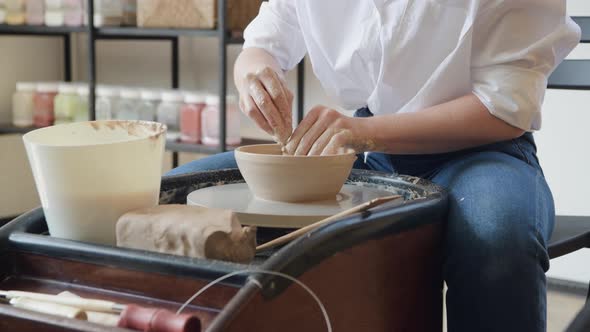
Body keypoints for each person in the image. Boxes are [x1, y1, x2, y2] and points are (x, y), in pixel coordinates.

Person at [168, 1, 580, 330]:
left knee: (496, 235)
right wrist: (254, 74)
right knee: (176, 194)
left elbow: (504, 109)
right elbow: (264, 42)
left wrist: (363, 130)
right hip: (365, 153)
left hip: (481, 149)